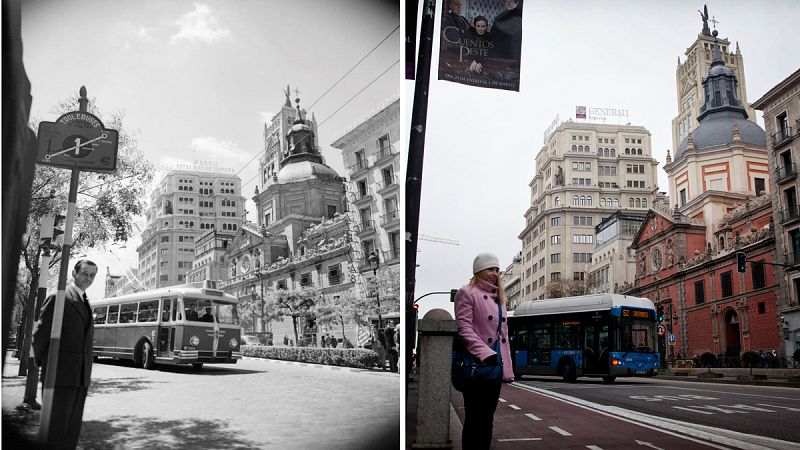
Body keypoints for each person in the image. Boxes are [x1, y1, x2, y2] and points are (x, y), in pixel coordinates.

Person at [32, 259, 98, 449]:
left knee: (71, 432)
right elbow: (40, 335)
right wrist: (46, 365)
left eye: (92, 275)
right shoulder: (58, 297)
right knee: (55, 432)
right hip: (59, 377)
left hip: (80, 378)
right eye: (85, 273)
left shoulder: (85, 301)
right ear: (74, 273)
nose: (88, 278)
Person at [454, 252, 513, 449]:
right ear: (479, 271)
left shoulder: (500, 299)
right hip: (475, 366)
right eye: (490, 269)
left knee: (487, 420)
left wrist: (504, 366)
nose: (495, 273)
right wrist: (485, 353)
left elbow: (502, 337)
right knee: (474, 420)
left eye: (497, 269)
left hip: (494, 368)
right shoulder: (466, 293)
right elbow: (464, 329)